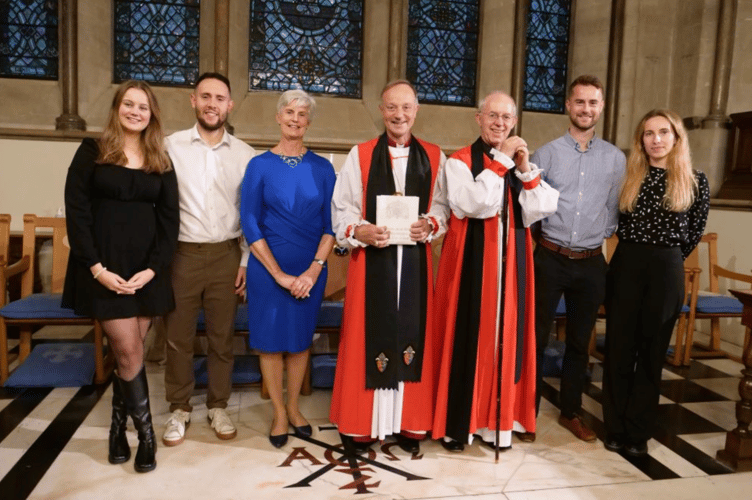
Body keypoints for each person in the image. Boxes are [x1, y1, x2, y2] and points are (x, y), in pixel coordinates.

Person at [62, 80, 179, 472]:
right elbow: (76, 213)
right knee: (129, 352)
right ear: (117, 108)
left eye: (143, 107)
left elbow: (169, 221)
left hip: (145, 271)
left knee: (129, 355)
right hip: (103, 269)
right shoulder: (91, 152)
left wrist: (152, 269)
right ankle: (146, 438)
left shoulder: (159, 158)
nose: (135, 112)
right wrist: (96, 268)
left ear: (152, 115)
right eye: (128, 104)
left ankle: (116, 428)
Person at [432, 91, 558, 452]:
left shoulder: (517, 164)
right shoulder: (458, 161)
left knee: (506, 342)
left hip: (513, 267)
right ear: (479, 118)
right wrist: (500, 163)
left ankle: (499, 425)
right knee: (471, 341)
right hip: (473, 266)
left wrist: (524, 169)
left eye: (507, 118)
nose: (500, 123)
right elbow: (474, 204)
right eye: (493, 116)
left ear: (514, 122)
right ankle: (461, 425)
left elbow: (542, 208)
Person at [329, 80, 449, 455]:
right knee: (369, 335)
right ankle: (363, 425)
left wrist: (430, 224)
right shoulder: (360, 154)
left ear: (416, 111)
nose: (399, 115)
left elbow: (444, 206)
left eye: (407, 108)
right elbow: (342, 207)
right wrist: (359, 230)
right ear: (381, 111)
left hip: (413, 263)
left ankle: (408, 422)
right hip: (372, 265)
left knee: (412, 333)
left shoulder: (434, 156)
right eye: (392, 108)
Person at [602, 109, 709, 457]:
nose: (656, 139)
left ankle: (638, 430)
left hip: (666, 269)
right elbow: (617, 222)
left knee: (650, 355)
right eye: (649, 133)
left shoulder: (695, 180)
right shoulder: (629, 176)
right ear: (641, 140)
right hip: (627, 264)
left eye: (664, 132)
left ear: (677, 138)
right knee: (619, 350)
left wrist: (665, 257)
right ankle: (614, 427)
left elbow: (692, 234)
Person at [529, 75, 626, 443]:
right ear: (568, 106)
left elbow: (613, 209)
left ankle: (570, 411)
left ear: (601, 108)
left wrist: (593, 238)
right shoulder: (547, 153)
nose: (586, 109)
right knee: (535, 339)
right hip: (550, 258)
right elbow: (533, 209)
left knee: (579, 341)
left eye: (593, 103)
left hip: (590, 262)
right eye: (580, 102)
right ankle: (528, 412)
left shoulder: (615, 159)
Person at [163, 73, 255, 446]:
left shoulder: (245, 155)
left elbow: (249, 213)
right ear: (193, 101)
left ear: (230, 105)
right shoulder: (170, 147)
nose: (212, 104)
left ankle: (218, 405)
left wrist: (246, 261)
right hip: (182, 254)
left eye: (220, 98)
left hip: (227, 255)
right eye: (206, 96)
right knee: (177, 338)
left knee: (221, 338)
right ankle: (180, 407)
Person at [240, 90, 336, 448]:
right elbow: (249, 221)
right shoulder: (259, 165)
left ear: (308, 122)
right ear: (278, 118)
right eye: (290, 112)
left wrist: (313, 271)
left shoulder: (323, 168)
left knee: (299, 343)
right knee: (269, 343)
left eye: (302, 114)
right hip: (267, 270)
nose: (296, 119)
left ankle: (295, 408)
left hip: (310, 270)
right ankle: (278, 412)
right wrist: (278, 274)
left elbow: (332, 225)